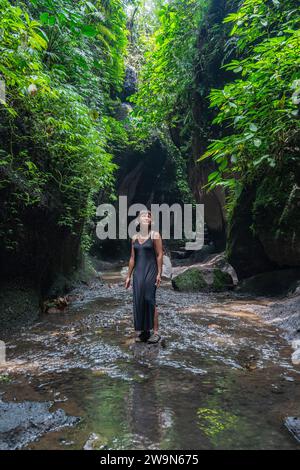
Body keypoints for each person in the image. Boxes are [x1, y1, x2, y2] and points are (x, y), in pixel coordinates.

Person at [125, 210, 163, 343]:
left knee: (149, 298)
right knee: (139, 299)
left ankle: (156, 332)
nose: (146, 217)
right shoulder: (134, 237)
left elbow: (159, 255)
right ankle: (145, 332)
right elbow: (132, 258)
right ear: (138, 220)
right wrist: (128, 276)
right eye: (143, 216)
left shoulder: (155, 235)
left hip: (151, 270)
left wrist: (159, 273)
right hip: (138, 273)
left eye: (149, 216)